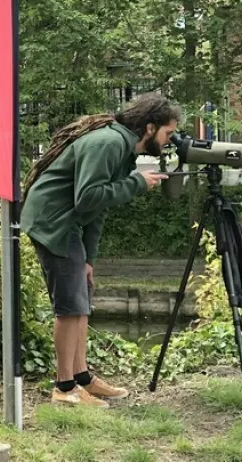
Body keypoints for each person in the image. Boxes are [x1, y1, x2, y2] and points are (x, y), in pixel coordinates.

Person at [20, 93, 180, 408]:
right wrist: (136, 184)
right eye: (168, 134)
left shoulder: (122, 149)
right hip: (53, 223)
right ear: (150, 128)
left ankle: (82, 378)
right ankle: (64, 388)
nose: (169, 141)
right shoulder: (108, 144)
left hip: (69, 224)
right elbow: (88, 197)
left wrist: (89, 259)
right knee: (70, 307)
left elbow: (99, 208)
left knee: (82, 302)